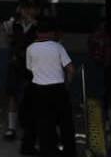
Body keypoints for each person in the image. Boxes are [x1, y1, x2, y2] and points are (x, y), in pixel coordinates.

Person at [25, 18, 76, 157]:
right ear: (52, 33)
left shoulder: (30, 48)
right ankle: (69, 152)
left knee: (43, 123)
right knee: (65, 123)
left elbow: (30, 69)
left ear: (37, 33)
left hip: (39, 89)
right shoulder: (58, 47)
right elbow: (71, 69)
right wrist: (67, 85)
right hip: (58, 89)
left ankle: (47, 151)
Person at [3, 0, 41, 146]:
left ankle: (32, 127)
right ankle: (11, 127)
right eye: (25, 7)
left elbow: (54, 39)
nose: (28, 11)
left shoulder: (41, 25)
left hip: (34, 66)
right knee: (12, 93)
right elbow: (10, 40)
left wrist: (34, 22)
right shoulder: (13, 24)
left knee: (32, 97)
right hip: (17, 63)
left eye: (32, 8)